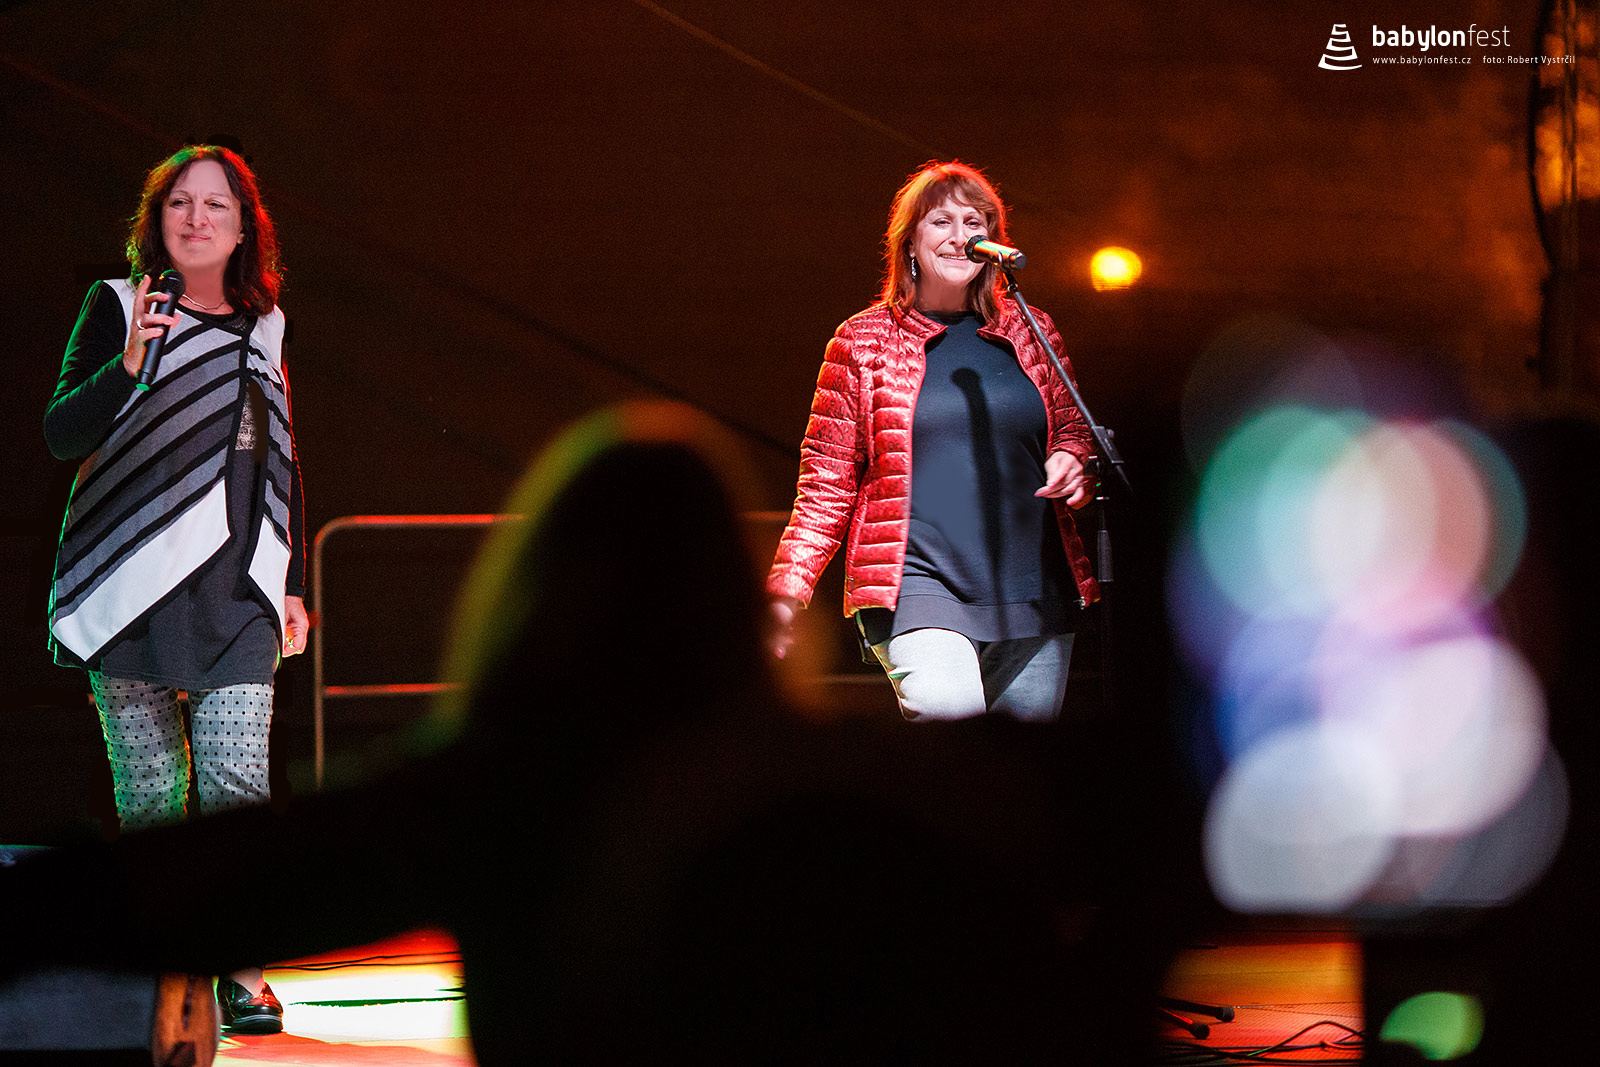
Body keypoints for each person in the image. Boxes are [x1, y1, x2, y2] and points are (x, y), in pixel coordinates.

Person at [41, 145, 305, 1034]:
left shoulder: (265, 326)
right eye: (180, 203)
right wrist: (126, 364)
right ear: (157, 220)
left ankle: (241, 967)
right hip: (128, 582)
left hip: (236, 588)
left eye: (216, 205)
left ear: (243, 228)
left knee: (236, 786)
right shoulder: (118, 306)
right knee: (152, 800)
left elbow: (278, 454)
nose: (197, 218)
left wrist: (291, 581)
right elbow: (61, 434)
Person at [767, 160, 1101, 723]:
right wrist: (784, 593)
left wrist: (1073, 458)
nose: (960, 236)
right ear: (910, 243)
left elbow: (1074, 428)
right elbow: (826, 485)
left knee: (1022, 770)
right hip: (917, 586)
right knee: (953, 731)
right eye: (941, 221)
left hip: (1033, 587)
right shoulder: (864, 341)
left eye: (975, 223)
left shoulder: (1031, 328)